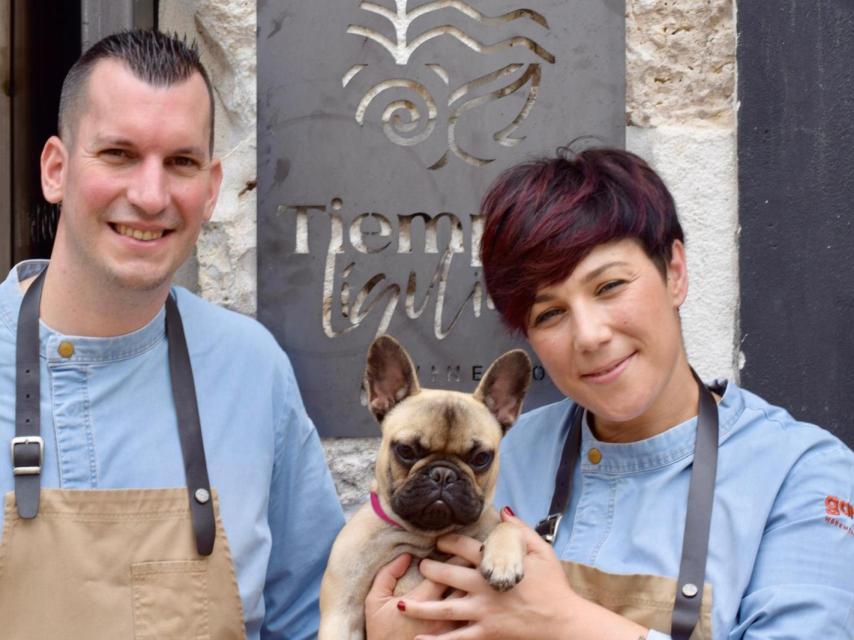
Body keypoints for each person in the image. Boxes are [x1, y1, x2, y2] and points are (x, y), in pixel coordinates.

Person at [365, 147, 854, 639]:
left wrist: (564, 622)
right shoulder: (495, 454)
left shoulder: (801, 475)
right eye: (550, 313)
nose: (590, 335)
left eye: (610, 286)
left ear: (676, 272)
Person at [0, 30, 344, 639]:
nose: (151, 195)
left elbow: (310, 623)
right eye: (118, 154)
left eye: (180, 162)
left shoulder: (252, 371)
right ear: (56, 169)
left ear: (211, 190)